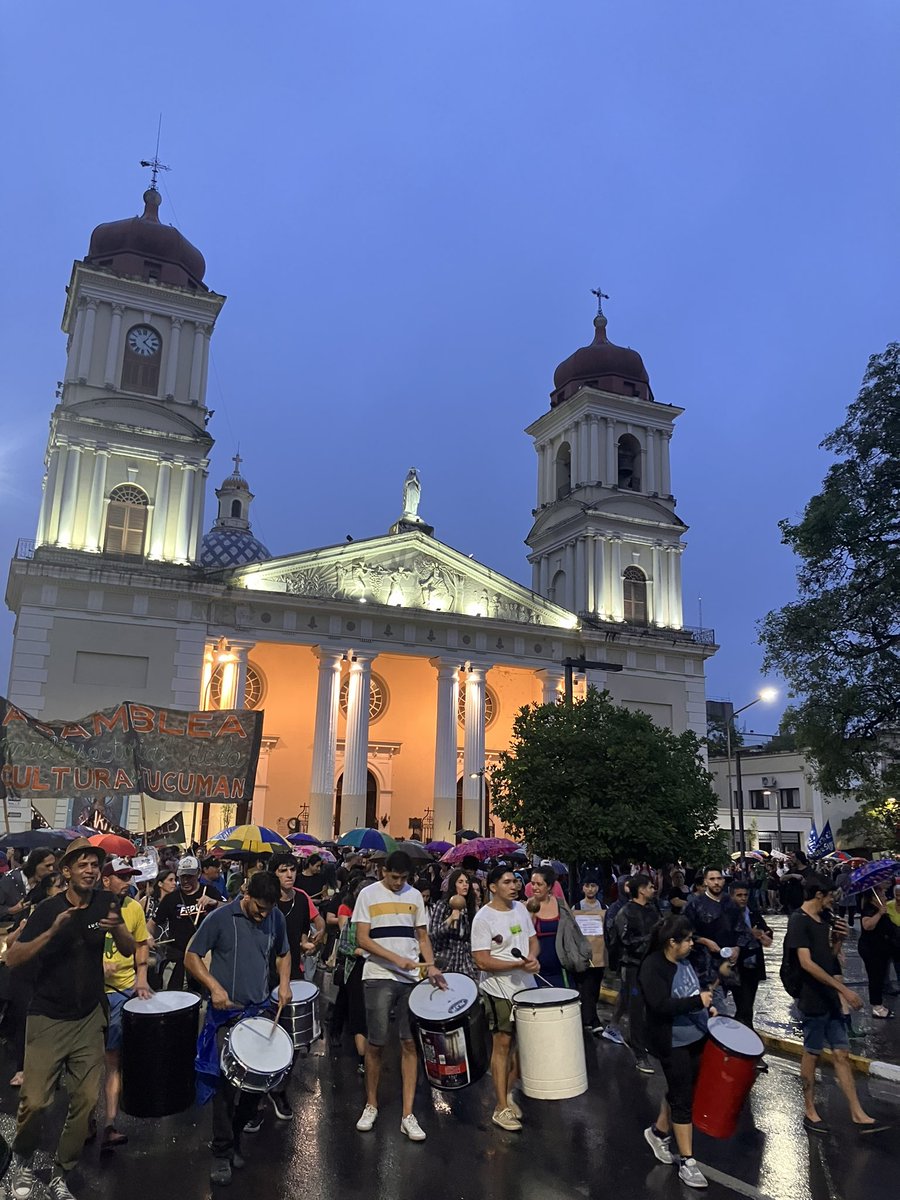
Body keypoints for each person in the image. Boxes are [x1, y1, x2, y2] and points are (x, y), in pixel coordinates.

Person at [5, 839, 136, 1200]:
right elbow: (13, 958)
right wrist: (51, 933)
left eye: (95, 864)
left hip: (88, 1016)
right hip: (47, 1015)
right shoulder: (48, 910)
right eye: (83, 864)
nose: (91, 870)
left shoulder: (107, 903)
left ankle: (62, 1172)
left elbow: (127, 947)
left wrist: (117, 927)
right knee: (34, 1101)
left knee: (83, 1101)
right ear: (66, 871)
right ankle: (22, 1162)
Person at [185, 870, 292, 1187]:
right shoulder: (221, 917)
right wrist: (214, 987)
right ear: (246, 894)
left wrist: (284, 984)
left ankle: (234, 1138)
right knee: (223, 1086)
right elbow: (192, 956)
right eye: (258, 907)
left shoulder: (274, 918)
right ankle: (220, 1152)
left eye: (268, 909)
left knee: (255, 1087)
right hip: (225, 1016)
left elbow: (284, 954)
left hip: (257, 1013)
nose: (263, 915)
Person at [783, 875, 889, 1134]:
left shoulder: (825, 920)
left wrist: (838, 940)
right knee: (812, 1052)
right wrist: (844, 989)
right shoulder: (799, 921)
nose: (833, 900)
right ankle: (809, 1109)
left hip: (830, 997)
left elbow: (827, 958)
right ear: (818, 895)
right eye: (829, 895)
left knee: (841, 1053)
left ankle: (857, 1111)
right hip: (812, 997)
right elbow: (807, 964)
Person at [351, 849, 445, 1141]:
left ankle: (408, 1114)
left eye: (403, 878)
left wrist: (430, 966)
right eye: (394, 877)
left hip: (410, 979)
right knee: (376, 1043)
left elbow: (422, 936)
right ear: (384, 871)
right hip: (378, 976)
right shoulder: (367, 894)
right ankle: (371, 1104)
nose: (398, 882)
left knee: (409, 1044)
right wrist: (395, 958)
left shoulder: (415, 896)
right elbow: (362, 938)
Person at [639, 915, 716, 1190]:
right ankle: (688, 1161)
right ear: (672, 942)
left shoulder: (684, 963)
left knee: (681, 1090)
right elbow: (660, 1005)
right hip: (672, 1042)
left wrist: (705, 1007)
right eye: (687, 940)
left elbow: (691, 992)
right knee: (683, 1100)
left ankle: (659, 1132)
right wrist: (696, 1001)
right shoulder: (653, 966)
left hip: (696, 1036)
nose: (692, 944)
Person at [471, 866, 540, 1131]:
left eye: (516, 881)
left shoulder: (521, 909)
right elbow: (481, 960)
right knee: (502, 1044)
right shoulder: (483, 918)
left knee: (525, 1049)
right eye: (507, 882)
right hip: (498, 989)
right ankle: (500, 1108)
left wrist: (532, 957)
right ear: (492, 887)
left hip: (526, 988)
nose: (514, 886)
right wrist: (516, 966)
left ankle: (507, 1093)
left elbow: (532, 940)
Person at [99, 857, 152, 1153]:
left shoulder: (133, 908)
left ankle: (108, 1123)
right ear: (106, 880)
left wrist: (141, 977)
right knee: (86, 1064)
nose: (128, 881)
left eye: (130, 876)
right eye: (121, 876)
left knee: (113, 1060)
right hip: (91, 995)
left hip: (121, 994)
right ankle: (83, 1123)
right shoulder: (90, 906)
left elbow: (141, 942)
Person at [2, 872, 67, 1088]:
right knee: (24, 1021)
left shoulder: (65, 911)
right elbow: (11, 945)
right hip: (26, 974)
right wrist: (22, 928)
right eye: (59, 886)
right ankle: (22, 1067)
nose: (63, 890)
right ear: (47, 889)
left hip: (49, 974)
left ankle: (51, 1069)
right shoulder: (34, 911)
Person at [147, 855, 221, 991]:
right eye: (182, 877)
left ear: (198, 874)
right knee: (175, 996)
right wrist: (149, 937)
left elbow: (229, 909)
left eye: (190, 876)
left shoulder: (210, 891)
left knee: (203, 995)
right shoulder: (171, 898)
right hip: (178, 956)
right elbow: (152, 923)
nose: (185, 881)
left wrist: (214, 902)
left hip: (204, 957)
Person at [614, 872, 660, 1073]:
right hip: (633, 966)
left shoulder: (652, 910)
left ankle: (651, 1044)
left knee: (653, 1007)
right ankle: (640, 1054)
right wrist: (648, 940)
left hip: (652, 965)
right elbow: (624, 942)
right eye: (650, 886)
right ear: (641, 890)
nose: (653, 889)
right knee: (636, 1009)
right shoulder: (625, 912)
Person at [684, 866, 744, 1005]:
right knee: (715, 1006)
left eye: (719, 878)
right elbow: (685, 932)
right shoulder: (694, 904)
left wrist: (737, 948)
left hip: (728, 964)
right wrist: (705, 941)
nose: (716, 882)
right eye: (712, 879)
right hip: (704, 965)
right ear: (705, 881)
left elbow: (741, 930)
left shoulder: (731, 903)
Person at [729, 881, 773, 1033]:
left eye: (745, 895)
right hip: (736, 967)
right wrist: (750, 934)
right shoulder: (728, 915)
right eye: (739, 895)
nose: (743, 898)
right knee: (744, 1005)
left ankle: (742, 1033)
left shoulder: (753, 912)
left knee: (747, 1005)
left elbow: (766, 930)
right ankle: (747, 1036)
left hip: (753, 965)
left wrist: (765, 936)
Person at [429, 868, 478, 979]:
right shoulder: (442, 905)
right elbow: (432, 935)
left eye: (467, 882)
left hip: (464, 963)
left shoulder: (469, 908)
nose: (465, 885)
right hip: (445, 962)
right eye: (460, 882)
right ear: (453, 885)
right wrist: (449, 920)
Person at [857, 884, 895, 1019]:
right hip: (871, 949)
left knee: (879, 976)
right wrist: (879, 913)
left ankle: (879, 1005)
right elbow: (867, 926)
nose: (885, 897)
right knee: (875, 976)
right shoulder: (870, 909)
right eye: (882, 894)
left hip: (881, 949)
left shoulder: (881, 909)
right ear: (874, 897)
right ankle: (876, 1006)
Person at [575, 875, 607, 1033]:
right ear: (582, 888)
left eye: (593, 885)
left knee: (595, 987)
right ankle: (590, 1020)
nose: (590, 889)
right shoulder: (576, 907)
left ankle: (589, 1016)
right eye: (587, 885)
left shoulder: (604, 907)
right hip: (582, 956)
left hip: (599, 957)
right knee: (585, 987)